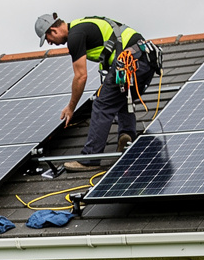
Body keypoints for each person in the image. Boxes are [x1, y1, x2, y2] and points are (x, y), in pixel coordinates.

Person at [34, 12, 160, 171]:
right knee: (119, 97)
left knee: (102, 104)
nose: (50, 43)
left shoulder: (75, 36)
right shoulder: (82, 24)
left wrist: (71, 107)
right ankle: (126, 136)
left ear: (53, 30)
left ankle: (89, 159)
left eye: (48, 39)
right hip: (145, 60)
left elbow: (80, 76)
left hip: (128, 60)